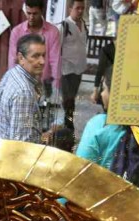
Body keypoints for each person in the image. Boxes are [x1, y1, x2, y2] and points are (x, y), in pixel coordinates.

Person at [77, 65, 139, 169]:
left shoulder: (99, 125)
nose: (102, 94)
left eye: (104, 88)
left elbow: (80, 170)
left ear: (114, 94)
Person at [0, 34, 48, 143]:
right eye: (36, 56)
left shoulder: (12, 73)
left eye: (43, 55)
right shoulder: (24, 92)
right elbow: (20, 143)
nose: (42, 61)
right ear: (21, 58)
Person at [8, 0, 61, 98]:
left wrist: (56, 86)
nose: (31, 17)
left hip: (45, 83)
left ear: (42, 11)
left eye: (35, 14)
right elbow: (13, 60)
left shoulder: (53, 32)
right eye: (28, 13)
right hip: (22, 83)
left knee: (44, 112)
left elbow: (55, 61)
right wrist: (12, 83)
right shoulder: (17, 32)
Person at [60, 0, 88, 131]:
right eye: (78, 8)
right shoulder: (64, 25)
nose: (80, 11)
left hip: (79, 68)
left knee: (72, 97)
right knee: (68, 99)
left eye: (82, 8)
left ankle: (68, 122)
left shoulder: (83, 24)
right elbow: (57, 48)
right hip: (67, 69)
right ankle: (68, 124)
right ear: (70, 8)